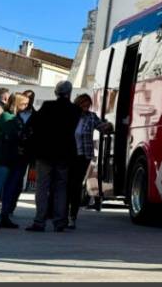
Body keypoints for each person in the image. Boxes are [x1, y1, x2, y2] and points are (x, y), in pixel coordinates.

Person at [26, 81, 80, 232]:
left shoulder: (48, 106)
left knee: (42, 187)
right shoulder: (75, 110)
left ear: (56, 92)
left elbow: (34, 124)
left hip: (45, 152)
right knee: (61, 187)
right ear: (70, 92)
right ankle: (59, 221)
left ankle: (39, 221)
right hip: (64, 154)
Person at [67, 93, 111, 229]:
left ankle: (72, 217)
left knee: (76, 186)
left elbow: (102, 127)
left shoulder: (91, 117)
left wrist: (109, 125)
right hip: (69, 155)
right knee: (66, 185)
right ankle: (61, 214)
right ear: (78, 104)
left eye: (88, 105)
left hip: (84, 156)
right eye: (83, 104)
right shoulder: (70, 116)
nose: (86, 107)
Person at [0, 93, 29, 229]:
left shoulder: (16, 118)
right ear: (17, 103)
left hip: (13, 158)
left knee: (8, 189)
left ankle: (4, 216)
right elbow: (11, 136)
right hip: (3, 157)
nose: (26, 106)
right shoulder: (6, 117)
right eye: (24, 104)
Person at [0, 90, 37, 225]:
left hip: (23, 155)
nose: (28, 102)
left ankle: (8, 210)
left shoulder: (34, 115)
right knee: (3, 184)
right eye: (26, 100)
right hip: (9, 155)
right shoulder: (10, 116)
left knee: (15, 183)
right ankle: (0, 211)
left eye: (31, 99)